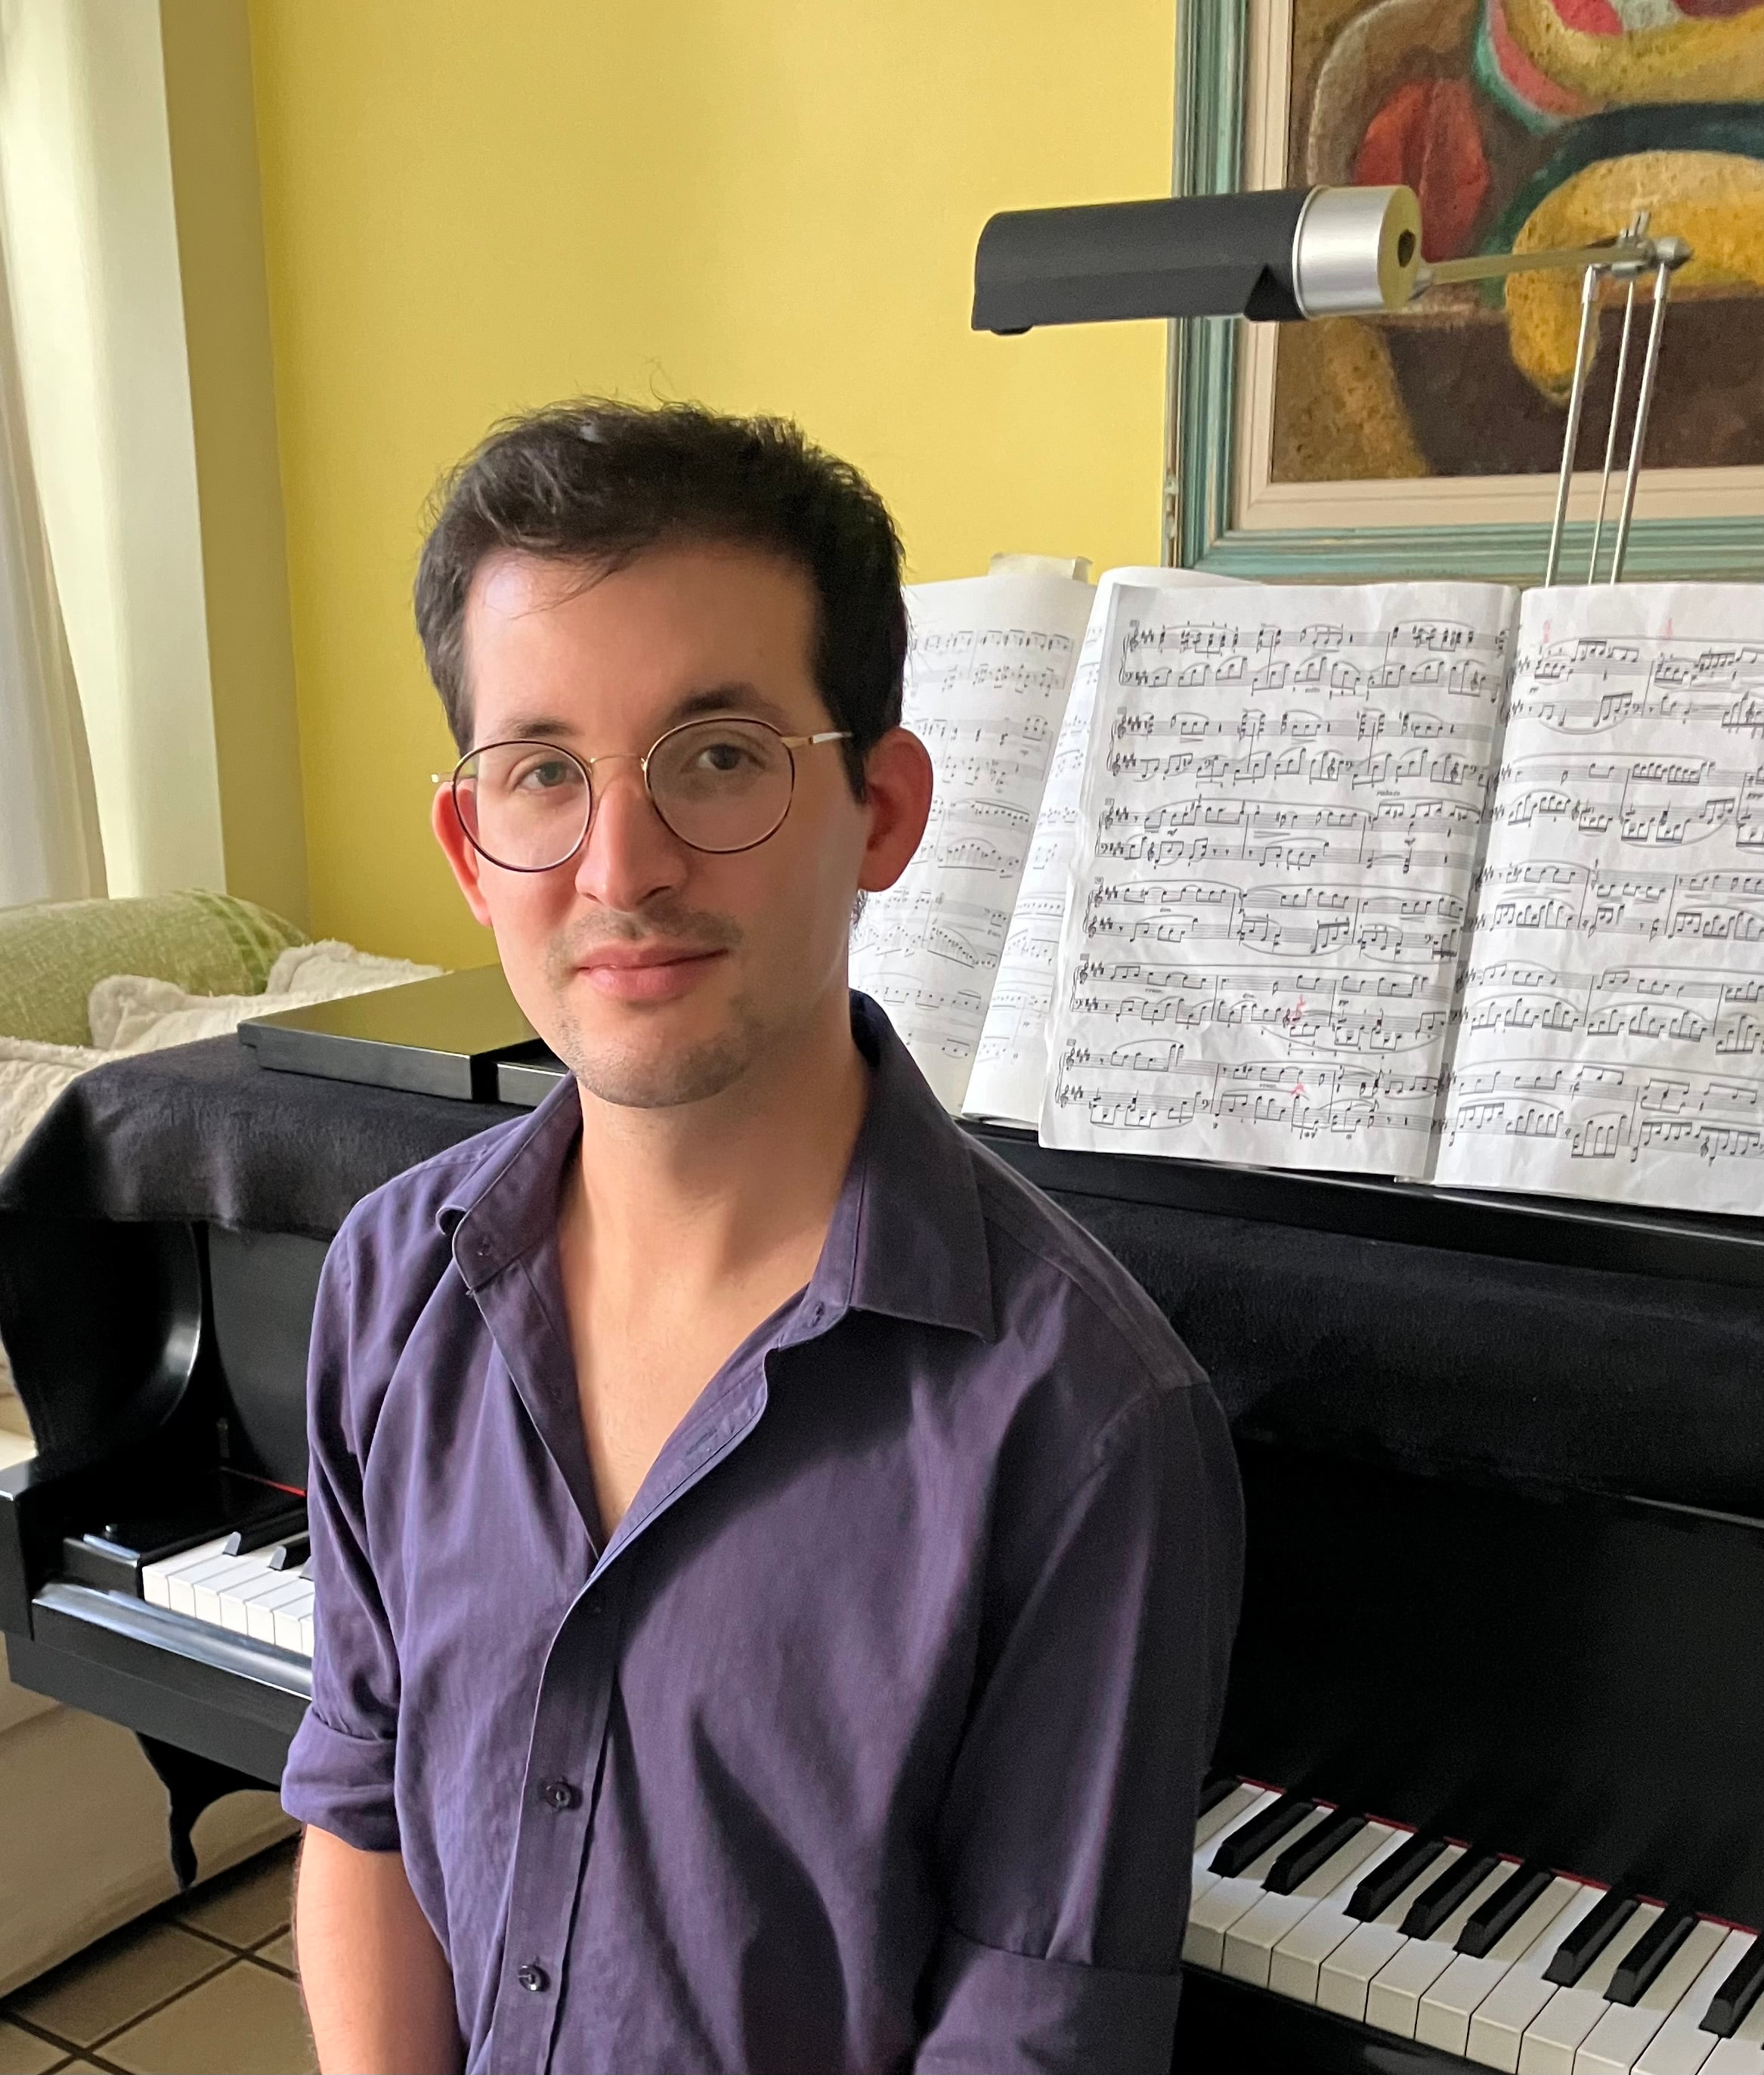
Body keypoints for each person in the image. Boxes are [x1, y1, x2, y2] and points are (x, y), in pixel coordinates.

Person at [280, 399, 1243, 2075]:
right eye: (542, 773)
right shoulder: (387, 1278)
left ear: (879, 810)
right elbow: (363, 1800)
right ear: (469, 843)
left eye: (717, 756)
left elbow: (1030, 2044)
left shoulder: (1088, 1422)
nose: (622, 865)